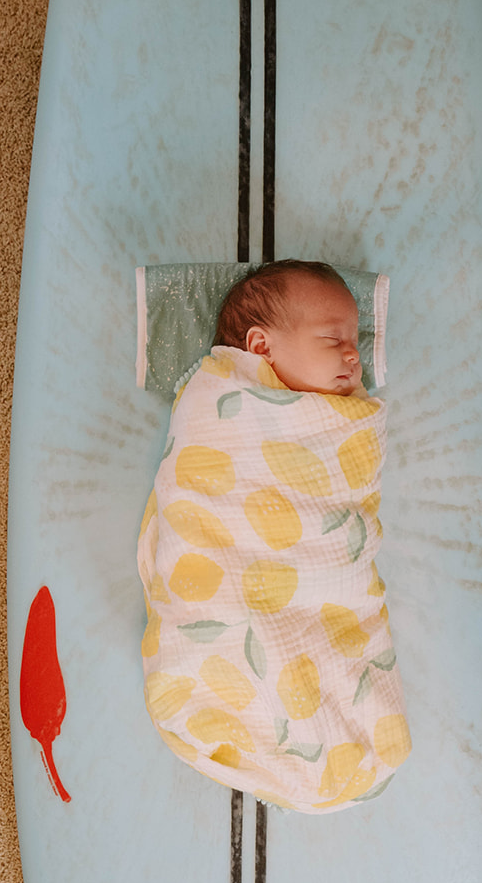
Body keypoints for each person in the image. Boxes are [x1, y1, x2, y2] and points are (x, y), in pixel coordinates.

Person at [137, 258, 410, 812]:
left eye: (354, 337)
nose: (353, 354)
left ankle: (311, 739)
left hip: (324, 587)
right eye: (333, 338)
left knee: (325, 639)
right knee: (238, 626)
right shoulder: (219, 403)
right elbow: (200, 498)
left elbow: (346, 512)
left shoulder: (342, 424)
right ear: (260, 347)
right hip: (235, 580)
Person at [214, 259, 363, 397]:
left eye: (355, 342)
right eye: (333, 339)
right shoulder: (226, 398)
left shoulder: (361, 405)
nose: (355, 355)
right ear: (263, 347)